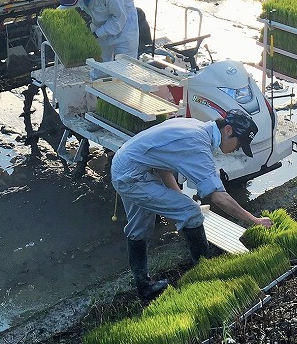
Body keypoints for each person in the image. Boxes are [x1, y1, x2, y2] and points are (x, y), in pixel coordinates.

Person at [111, 111, 273, 299]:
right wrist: (254, 220)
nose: (237, 149)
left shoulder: (195, 126)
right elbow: (217, 197)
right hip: (133, 177)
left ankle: (145, 289)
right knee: (191, 213)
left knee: (140, 228)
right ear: (228, 130)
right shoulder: (197, 145)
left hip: (125, 164)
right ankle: (206, 274)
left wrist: (179, 199)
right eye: (239, 143)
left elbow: (162, 165)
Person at [59, 0, 139, 60]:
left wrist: (96, 34)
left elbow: (118, 19)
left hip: (124, 26)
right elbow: (66, 6)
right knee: (100, 65)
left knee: (124, 65)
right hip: (100, 23)